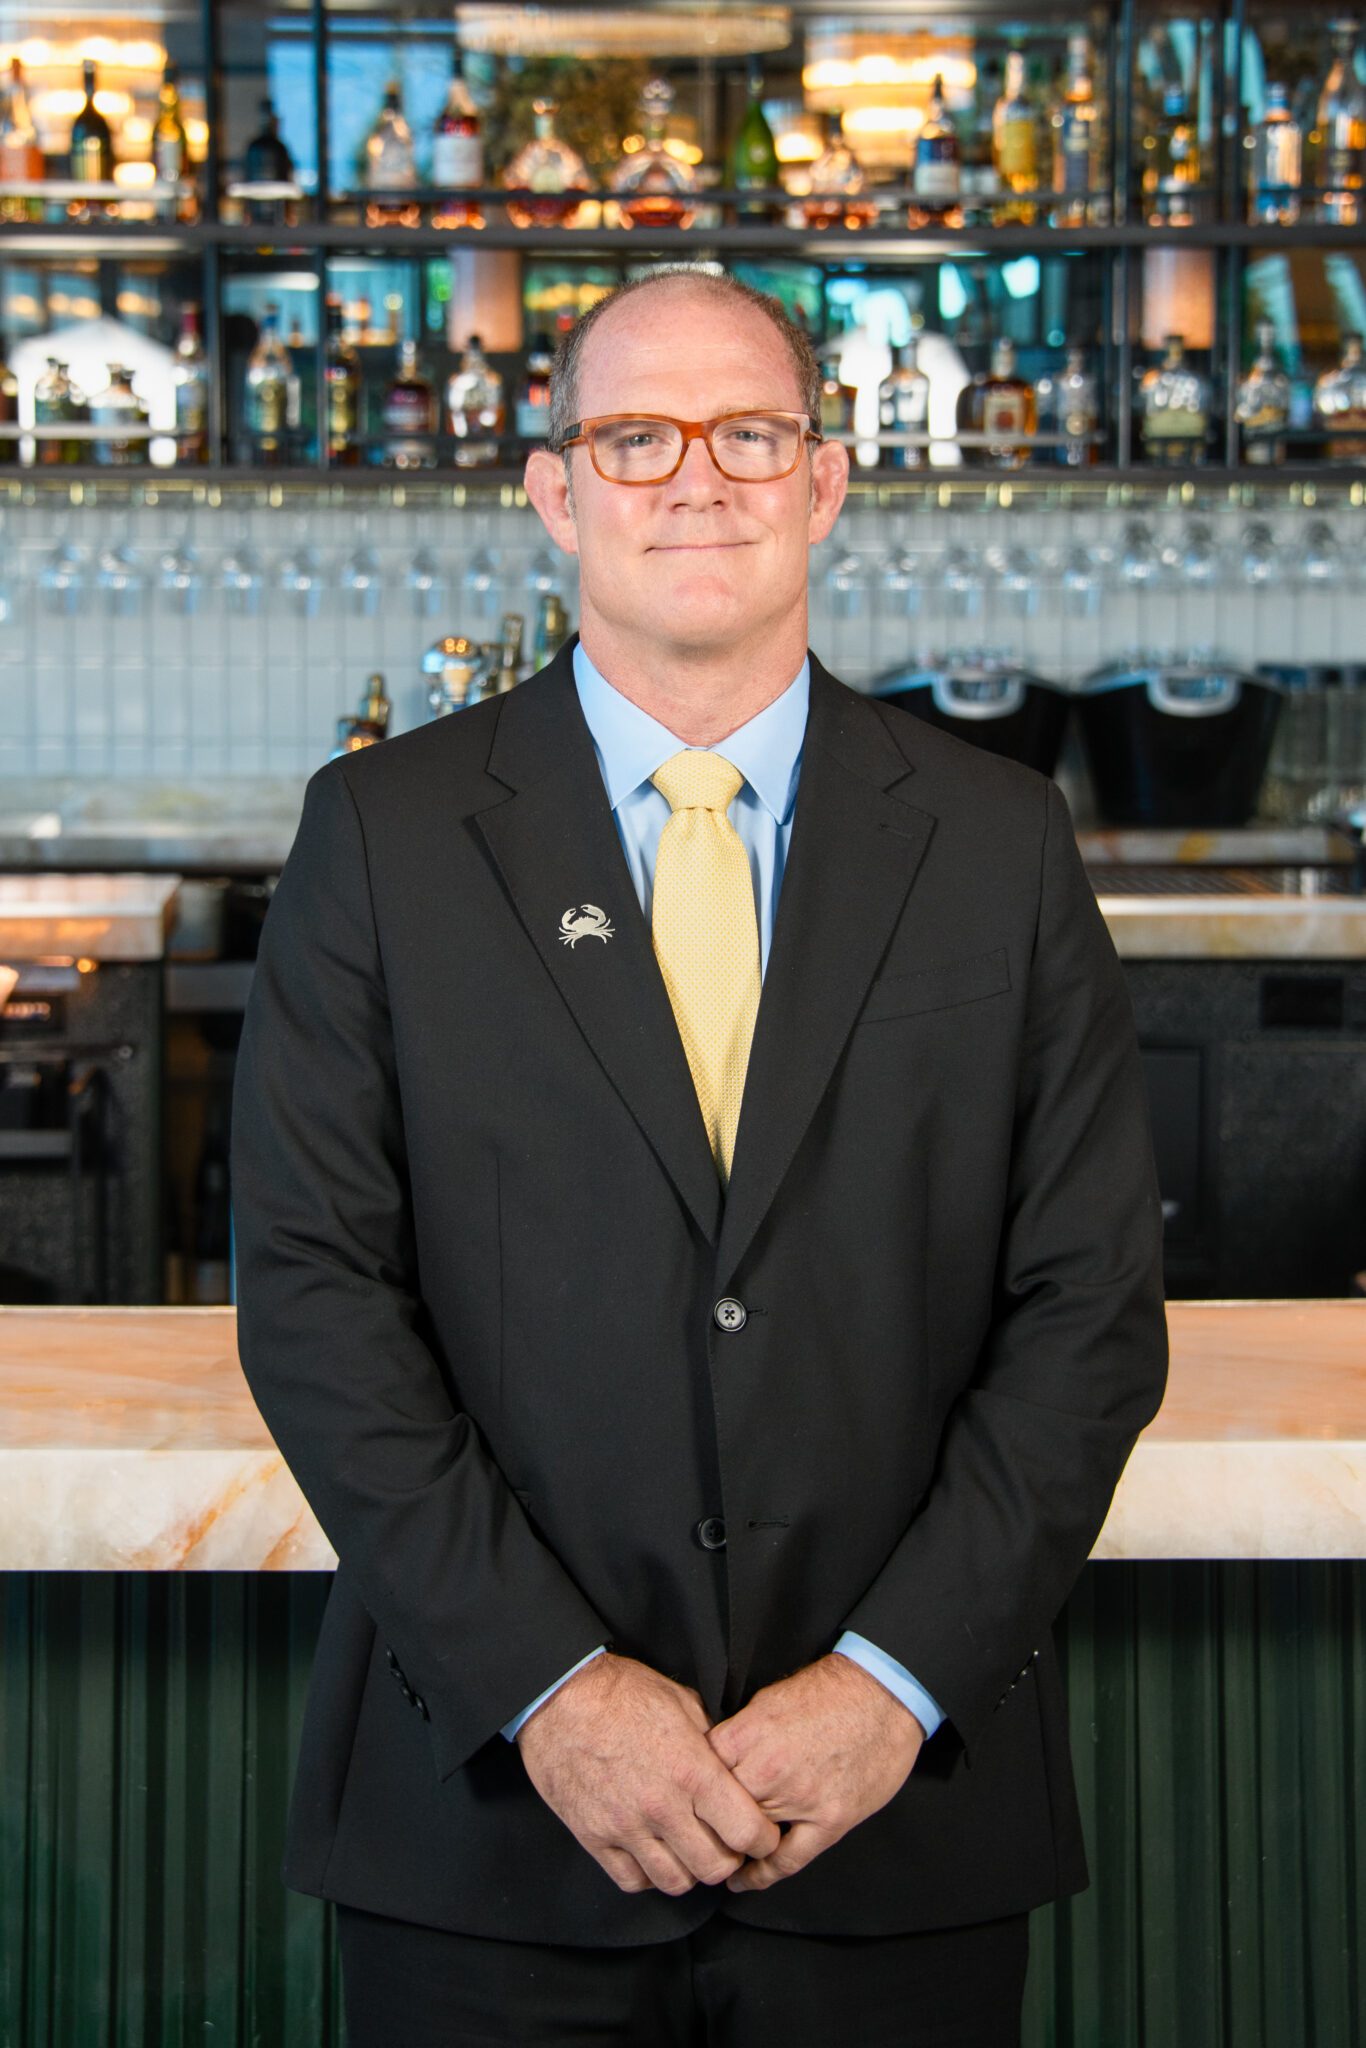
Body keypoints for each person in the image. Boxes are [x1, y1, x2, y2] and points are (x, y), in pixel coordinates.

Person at [229, 267, 1169, 2046]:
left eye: (751, 433)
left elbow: (1090, 1314)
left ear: (824, 482)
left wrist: (888, 1689)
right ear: (554, 489)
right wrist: (557, 1693)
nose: (697, 479)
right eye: (634, 435)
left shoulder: (996, 840)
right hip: (491, 1823)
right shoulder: (383, 837)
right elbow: (313, 1298)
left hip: (897, 1824)